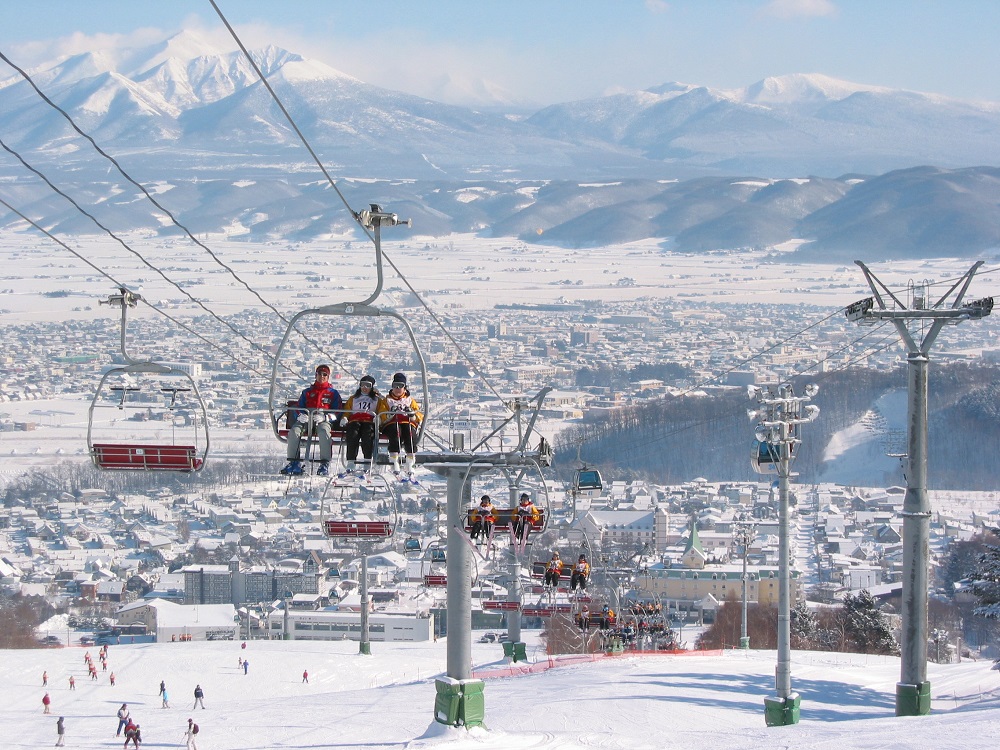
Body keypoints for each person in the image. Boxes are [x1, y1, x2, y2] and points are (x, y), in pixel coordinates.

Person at [280, 364, 343, 477]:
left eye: (325, 374)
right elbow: (299, 407)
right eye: (320, 374)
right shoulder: (307, 392)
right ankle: (294, 462)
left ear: (328, 377)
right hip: (307, 418)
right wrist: (300, 415)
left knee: (324, 433)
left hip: (323, 419)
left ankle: (324, 463)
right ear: (316, 375)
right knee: (294, 432)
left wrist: (326, 417)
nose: (322, 376)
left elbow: (338, 411)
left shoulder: (333, 393)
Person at [377, 373, 422, 477]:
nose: (397, 389)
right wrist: (390, 414)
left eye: (400, 386)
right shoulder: (387, 400)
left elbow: (418, 414)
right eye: (395, 386)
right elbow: (381, 414)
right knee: (395, 432)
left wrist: (412, 415)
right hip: (391, 423)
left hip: (407, 422)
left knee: (409, 433)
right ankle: (394, 460)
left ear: (405, 388)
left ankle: (410, 461)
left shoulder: (410, 400)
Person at [339, 375, 383, 476]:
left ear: (372, 387)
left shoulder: (376, 400)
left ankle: (367, 461)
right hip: (355, 420)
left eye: (368, 385)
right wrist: (344, 418)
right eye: (363, 385)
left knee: (368, 435)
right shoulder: (353, 398)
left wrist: (378, 418)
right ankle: (351, 461)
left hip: (369, 421)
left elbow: (382, 409)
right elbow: (347, 411)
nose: (365, 388)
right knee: (352, 435)